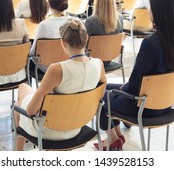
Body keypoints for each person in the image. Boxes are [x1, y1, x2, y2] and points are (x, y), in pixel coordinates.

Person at [96, 0, 174, 151]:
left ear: (158, 12)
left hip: (143, 106)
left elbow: (134, 86)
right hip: (165, 103)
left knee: (99, 93)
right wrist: (122, 89)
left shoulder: (151, 44)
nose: (148, 10)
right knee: (109, 87)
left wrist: (122, 89)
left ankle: (111, 139)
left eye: (150, 8)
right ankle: (117, 136)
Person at [14, 18, 107, 150]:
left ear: (62, 42)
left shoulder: (57, 69)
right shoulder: (98, 64)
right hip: (77, 127)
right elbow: (100, 93)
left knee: (20, 98)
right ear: (86, 38)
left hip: (49, 130)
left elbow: (31, 110)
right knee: (25, 89)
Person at [30, 0, 70, 72]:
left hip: (46, 68)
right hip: (69, 65)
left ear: (49, 6)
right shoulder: (76, 22)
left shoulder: (44, 25)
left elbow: (33, 52)